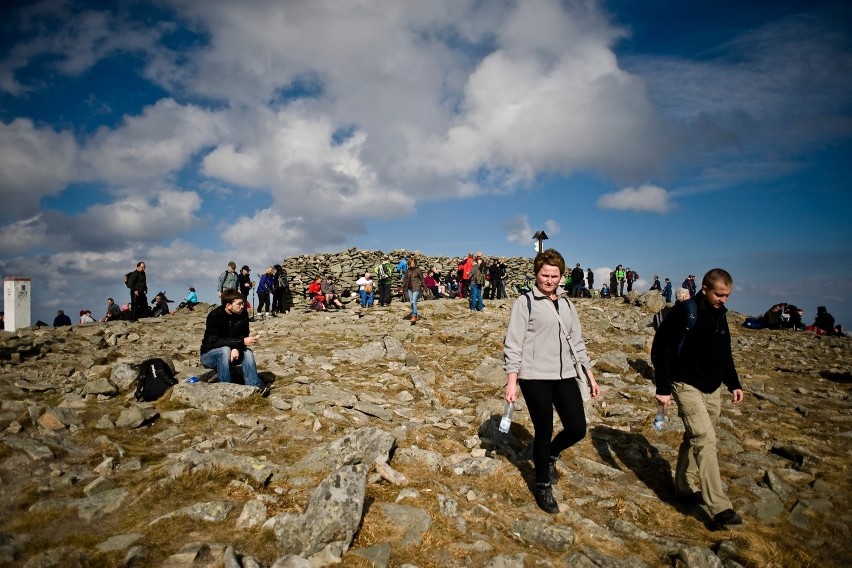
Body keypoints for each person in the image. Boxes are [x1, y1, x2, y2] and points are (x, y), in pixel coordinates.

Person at [503, 248, 601, 513]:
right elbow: (513, 343)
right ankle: (543, 485)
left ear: (562, 277)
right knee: (543, 431)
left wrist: (590, 376)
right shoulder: (525, 303)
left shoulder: (568, 304)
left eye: (554, 276)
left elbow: (577, 342)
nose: (549, 280)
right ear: (536, 274)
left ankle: (551, 456)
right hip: (534, 376)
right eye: (544, 275)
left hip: (566, 374)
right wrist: (512, 381)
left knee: (577, 428)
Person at [651, 268, 744, 527]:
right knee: (705, 438)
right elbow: (662, 349)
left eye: (727, 296)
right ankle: (720, 507)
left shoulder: (720, 315)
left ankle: (681, 486)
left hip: (712, 387)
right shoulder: (685, 311)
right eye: (719, 295)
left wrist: (733, 383)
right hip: (685, 384)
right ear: (704, 289)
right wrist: (664, 389)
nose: (724, 300)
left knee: (695, 437)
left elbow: (724, 352)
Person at [200, 289, 270, 397]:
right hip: (209, 355)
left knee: (247, 352)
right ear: (228, 305)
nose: (242, 306)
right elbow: (214, 341)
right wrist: (239, 343)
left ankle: (254, 388)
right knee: (225, 350)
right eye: (239, 304)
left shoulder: (243, 314)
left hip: (232, 353)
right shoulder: (215, 316)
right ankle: (226, 389)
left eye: (243, 303)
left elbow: (243, 335)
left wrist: (236, 347)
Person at [401, 256, 425, 323]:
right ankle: (416, 316)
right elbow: (405, 280)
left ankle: (414, 315)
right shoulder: (407, 271)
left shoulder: (418, 270)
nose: (412, 264)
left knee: (414, 301)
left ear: (415, 263)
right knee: (412, 302)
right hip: (409, 288)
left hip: (416, 287)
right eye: (410, 263)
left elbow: (422, 279)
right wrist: (402, 287)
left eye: (413, 262)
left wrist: (425, 287)